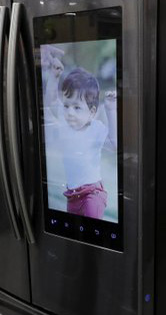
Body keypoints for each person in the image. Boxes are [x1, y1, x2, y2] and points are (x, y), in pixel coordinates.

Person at [43, 66, 117, 220]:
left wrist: (110, 110)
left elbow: (114, 144)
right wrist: (54, 76)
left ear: (91, 113)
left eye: (77, 107)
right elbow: (51, 101)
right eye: (66, 105)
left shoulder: (95, 128)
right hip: (72, 196)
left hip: (92, 194)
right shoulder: (64, 122)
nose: (70, 112)